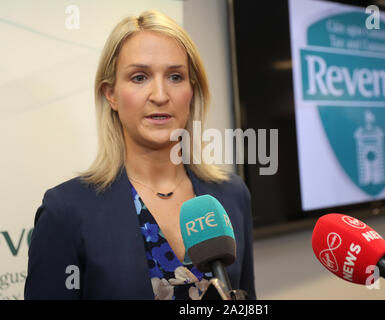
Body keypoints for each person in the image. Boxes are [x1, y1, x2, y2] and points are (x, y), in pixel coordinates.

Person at [24, 10, 256, 300]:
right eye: (139, 77)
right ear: (111, 94)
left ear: (191, 90)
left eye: (175, 76)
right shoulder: (66, 211)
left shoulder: (232, 194)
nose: (160, 94)